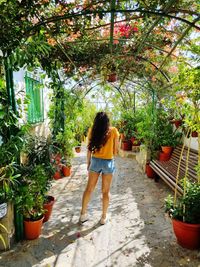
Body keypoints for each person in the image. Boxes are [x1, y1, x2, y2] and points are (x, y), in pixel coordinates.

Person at [80, 112, 119, 225]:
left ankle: (83, 214)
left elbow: (89, 149)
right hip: (108, 163)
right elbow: (115, 151)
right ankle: (103, 217)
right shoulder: (114, 131)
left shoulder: (92, 130)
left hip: (95, 161)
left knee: (89, 189)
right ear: (108, 121)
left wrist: (88, 163)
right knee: (105, 192)